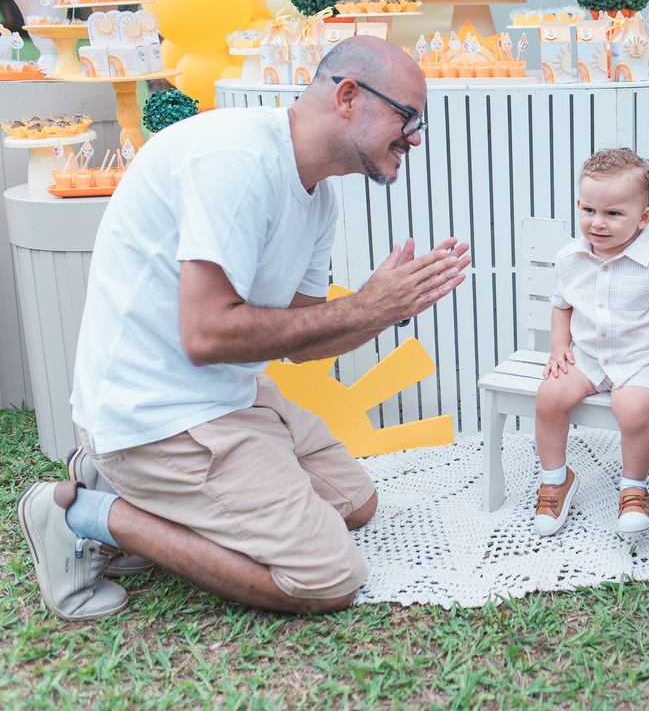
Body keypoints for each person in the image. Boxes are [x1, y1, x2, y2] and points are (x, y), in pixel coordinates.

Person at [16, 36, 472, 622]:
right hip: (156, 415)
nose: (415, 137)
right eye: (409, 117)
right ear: (348, 97)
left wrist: (384, 310)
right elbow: (206, 336)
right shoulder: (237, 159)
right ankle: (84, 514)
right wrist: (365, 307)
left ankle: (114, 481)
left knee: (356, 505)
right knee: (327, 578)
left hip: (229, 396)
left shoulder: (319, 199)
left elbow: (305, 343)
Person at [533, 148, 649, 537]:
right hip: (588, 357)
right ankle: (556, 479)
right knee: (549, 398)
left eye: (613, 213)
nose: (598, 222)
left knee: (631, 409)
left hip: (640, 359)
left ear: (644, 218)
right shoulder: (570, 257)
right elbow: (562, 306)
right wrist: (559, 347)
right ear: (579, 205)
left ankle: (633, 489)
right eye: (589, 210)